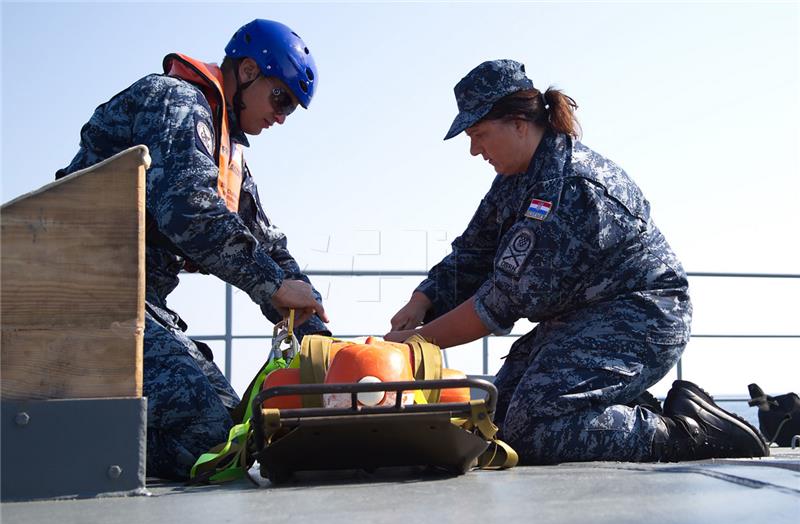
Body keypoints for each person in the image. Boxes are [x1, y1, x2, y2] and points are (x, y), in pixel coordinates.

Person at [385, 59, 768, 463]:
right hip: (582, 317)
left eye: (479, 134)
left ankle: (689, 432)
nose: (474, 149)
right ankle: (635, 410)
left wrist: (416, 345)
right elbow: (473, 252)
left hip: (643, 316)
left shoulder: (567, 187)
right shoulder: (517, 178)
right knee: (496, 420)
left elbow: (501, 302)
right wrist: (421, 301)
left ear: (518, 123)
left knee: (533, 431)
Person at [57, 19, 330, 479]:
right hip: (84, 299)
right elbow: (189, 210)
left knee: (231, 429)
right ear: (246, 72)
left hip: (139, 306)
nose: (281, 116)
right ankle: (60, 451)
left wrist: (315, 326)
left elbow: (263, 237)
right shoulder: (177, 103)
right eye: (280, 97)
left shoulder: (227, 149)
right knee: (210, 440)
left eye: (292, 109)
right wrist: (272, 285)